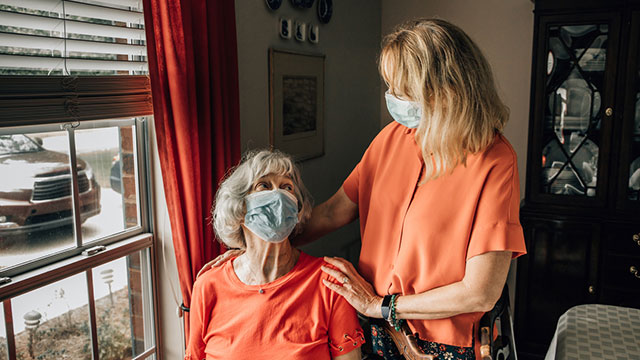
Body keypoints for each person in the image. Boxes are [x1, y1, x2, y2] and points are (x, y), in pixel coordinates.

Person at [206, 18, 527, 359]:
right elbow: (333, 211)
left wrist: (382, 305)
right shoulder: (391, 139)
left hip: (441, 342)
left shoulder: (495, 160)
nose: (391, 97)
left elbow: (480, 292)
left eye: (400, 88)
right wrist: (256, 251)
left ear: (442, 90)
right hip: (374, 326)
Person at [186, 150, 363, 360]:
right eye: (264, 185)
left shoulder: (330, 283)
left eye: (287, 187)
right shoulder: (208, 286)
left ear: (296, 211)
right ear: (239, 208)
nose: (278, 195)